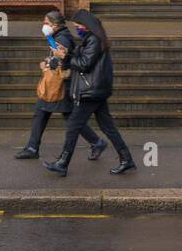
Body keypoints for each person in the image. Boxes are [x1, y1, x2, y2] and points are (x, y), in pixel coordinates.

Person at [43, 10, 136, 177]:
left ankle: (62, 163)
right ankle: (126, 159)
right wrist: (67, 53)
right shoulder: (93, 39)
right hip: (96, 90)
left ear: (86, 25)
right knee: (108, 127)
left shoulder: (93, 40)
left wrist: (65, 57)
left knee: (73, 126)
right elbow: (82, 58)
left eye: (78, 26)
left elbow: (85, 64)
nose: (77, 29)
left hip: (90, 91)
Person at [14, 10, 105, 162]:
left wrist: (47, 65)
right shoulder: (60, 35)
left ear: (55, 25)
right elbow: (57, 56)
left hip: (59, 85)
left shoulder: (62, 38)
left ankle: (34, 148)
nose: (44, 25)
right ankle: (32, 147)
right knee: (49, 114)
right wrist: (48, 60)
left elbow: (61, 59)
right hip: (61, 83)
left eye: (46, 23)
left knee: (58, 115)